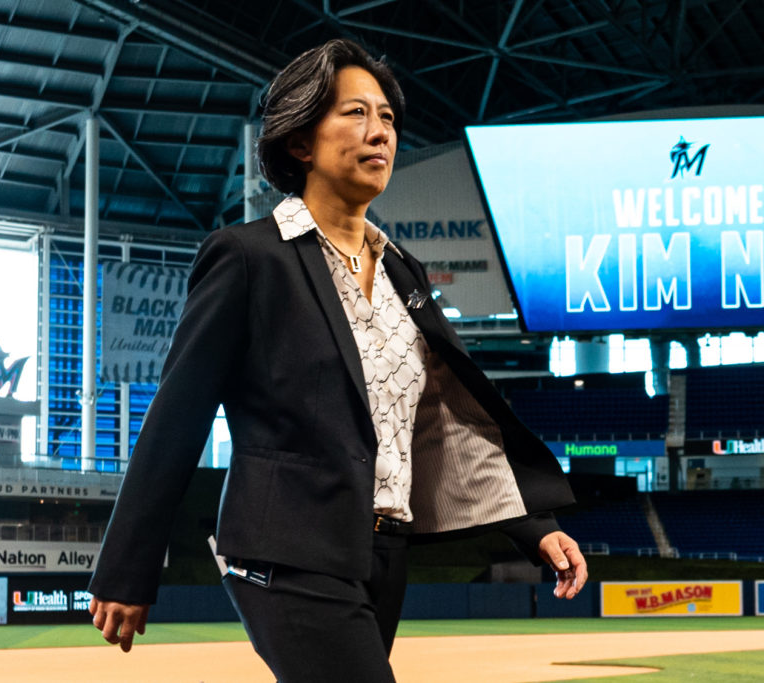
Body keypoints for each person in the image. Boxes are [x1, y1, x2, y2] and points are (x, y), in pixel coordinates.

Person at [88, 38, 587, 682]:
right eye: (355, 113)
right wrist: (128, 565)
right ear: (300, 141)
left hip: (382, 552)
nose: (379, 131)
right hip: (285, 551)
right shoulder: (248, 257)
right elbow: (177, 417)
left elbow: (437, 421)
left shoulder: (404, 271)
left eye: (386, 117)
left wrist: (531, 528)